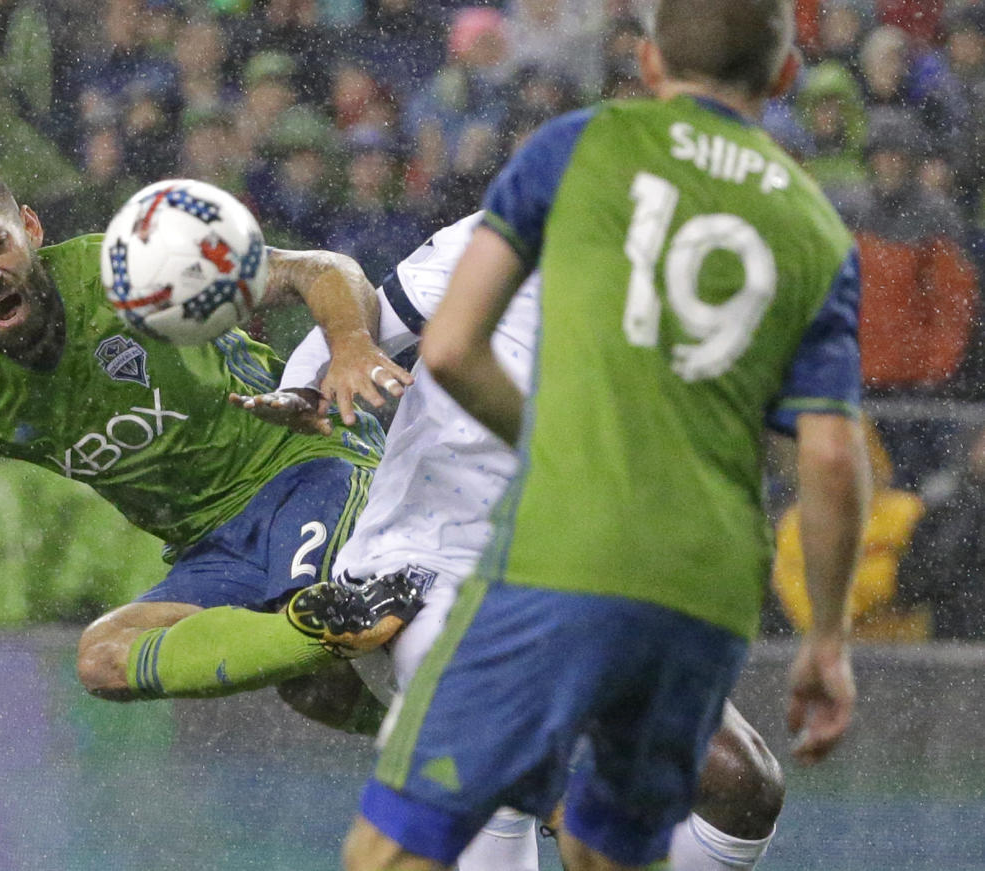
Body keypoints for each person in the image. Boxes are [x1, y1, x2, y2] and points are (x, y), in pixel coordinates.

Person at [340, 1, 870, 868]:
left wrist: (557, 447)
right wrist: (828, 641)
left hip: (562, 556)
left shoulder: (578, 149)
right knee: (610, 846)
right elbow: (830, 456)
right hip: (699, 585)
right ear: (781, 79)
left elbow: (452, 347)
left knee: (390, 847)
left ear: (653, 66)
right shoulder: (815, 228)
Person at [245, 212, 785, 871]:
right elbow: (364, 317)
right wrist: (305, 384)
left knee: (742, 784)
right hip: (431, 565)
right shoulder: (504, 233)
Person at [0, 164, 414, 731]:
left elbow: (318, 269)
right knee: (108, 659)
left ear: (31, 228)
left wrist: (351, 343)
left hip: (306, 467)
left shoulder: (133, 266)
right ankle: (432, 731)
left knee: (311, 628)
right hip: (208, 548)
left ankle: (369, 659)